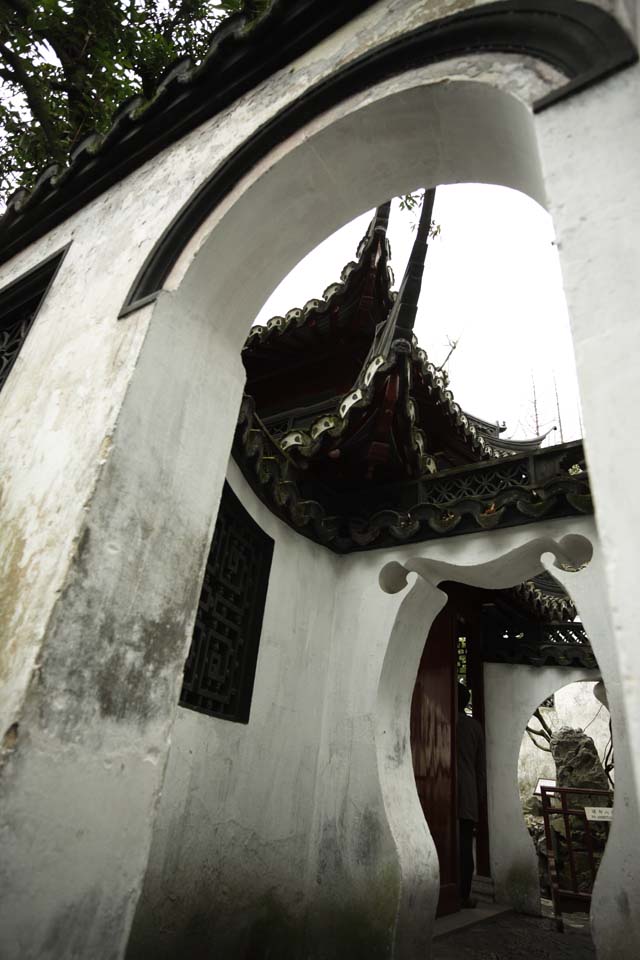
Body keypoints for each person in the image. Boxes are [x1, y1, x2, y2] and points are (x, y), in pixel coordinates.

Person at [456, 682, 486, 908]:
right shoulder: (474, 727)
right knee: (466, 844)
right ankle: (463, 894)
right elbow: (480, 768)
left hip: (442, 791)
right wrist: (480, 798)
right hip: (467, 792)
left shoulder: (443, 721)